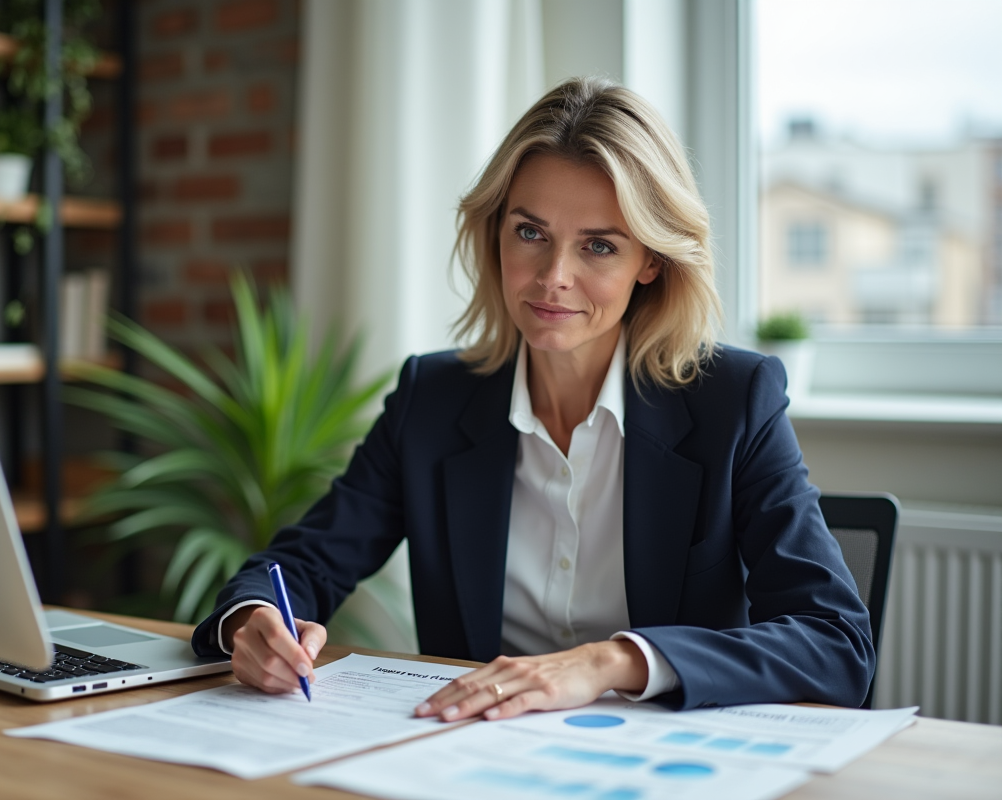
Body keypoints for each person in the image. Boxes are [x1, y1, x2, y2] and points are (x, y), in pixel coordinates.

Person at [191, 78, 874, 719]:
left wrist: (613, 661)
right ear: (496, 235)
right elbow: (303, 562)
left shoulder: (734, 401)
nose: (553, 278)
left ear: (652, 261)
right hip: (472, 758)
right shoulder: (432, 401)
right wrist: (253, 621)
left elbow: (836, 642)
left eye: (599, 246)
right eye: (530, 233)